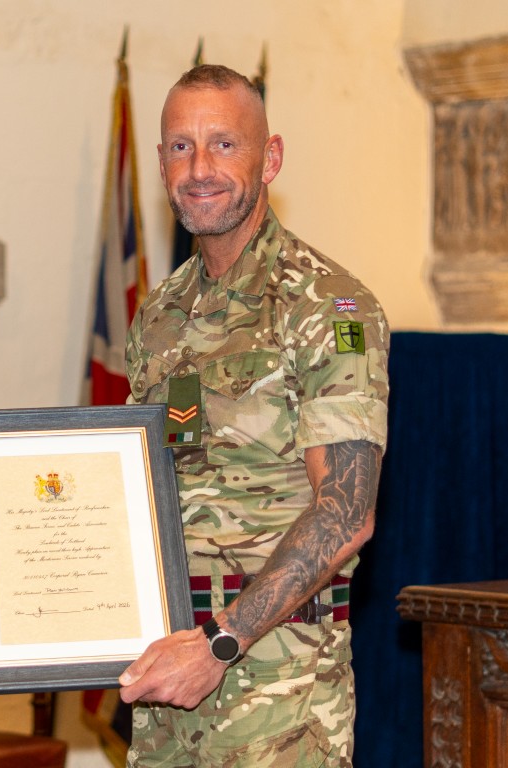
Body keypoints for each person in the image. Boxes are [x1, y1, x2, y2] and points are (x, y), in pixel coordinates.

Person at [119, 65, 389, 767]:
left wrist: (220, 643)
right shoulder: (159, 314)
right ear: (159, 162)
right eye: (180, 147)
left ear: (269, 158)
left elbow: (348, 512)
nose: (199, 168)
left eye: (223, 145)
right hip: (168, 687)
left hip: (278, 698)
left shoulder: (329, 308)